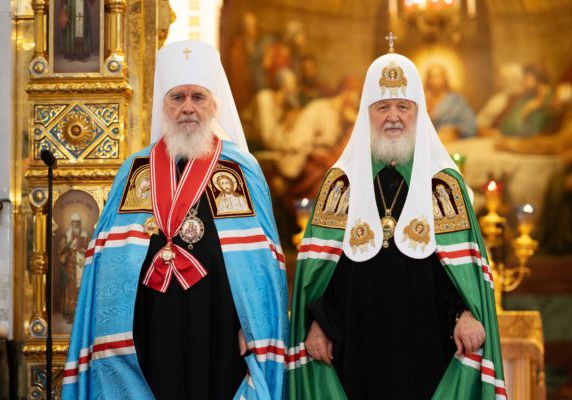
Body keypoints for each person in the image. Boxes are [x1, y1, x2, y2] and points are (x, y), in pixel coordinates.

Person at [63, 41, 288, 399]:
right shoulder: (135, 170)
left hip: (219, 322)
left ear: (213, 105)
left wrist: (253, 326)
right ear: (163, 105)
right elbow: (105, 263)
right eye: (177, 98)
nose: (188, 108)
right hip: (149, 323)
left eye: (198, 97)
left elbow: (263, 267)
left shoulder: (241, 169)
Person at [288, 37, 506, 399]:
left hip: (430, 347)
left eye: (403, 106)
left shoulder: (443, 184)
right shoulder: (341, 183)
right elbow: (326, 272)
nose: (393, 116)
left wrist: (466, 315)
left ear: (419, 112)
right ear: (366, 113)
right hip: (356, 346)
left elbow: (459, 271)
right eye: (382, 107)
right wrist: (319, 324)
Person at [425, 63, 477, 140]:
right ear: (428, 79)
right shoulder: (422, 98)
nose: (436, 80)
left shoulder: (456, 100)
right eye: (432, 77)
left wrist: (455, 130)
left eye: (439, 76)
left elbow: (469, 123)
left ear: (445, 78)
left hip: (451, 140)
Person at [58, 212, 88, 323]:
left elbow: (91, 249)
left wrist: (84, 250)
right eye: (74, 224)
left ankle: (82, 316)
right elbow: (61, 251)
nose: (76, 226)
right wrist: (69, 243)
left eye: (78, 224)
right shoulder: (66, 236)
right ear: (71, 224)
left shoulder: (85, 235)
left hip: (82, 266)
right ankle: (71, 316)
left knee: (81, 289)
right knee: (70, 291)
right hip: (70, 268)